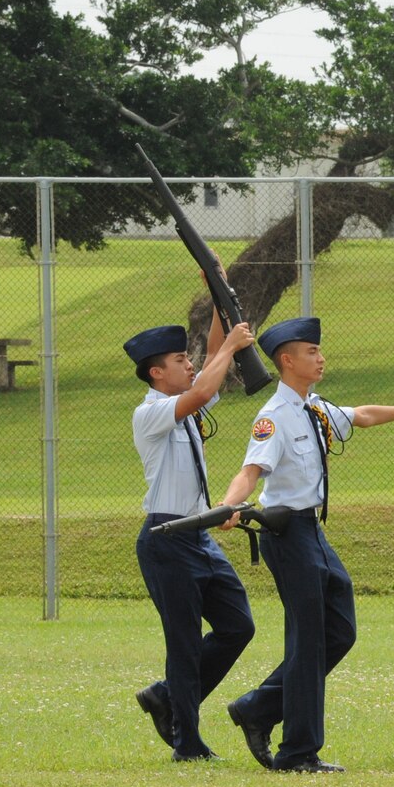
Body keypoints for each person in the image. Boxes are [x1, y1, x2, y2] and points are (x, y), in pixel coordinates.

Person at [216, 317, 394, 773]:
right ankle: (298, 752)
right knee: (308, 642)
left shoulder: (315, 408)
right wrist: (228, 506)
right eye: (311, 352)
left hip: (313, 533)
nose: (320, 358)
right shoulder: (273, 418)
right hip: (286, 533)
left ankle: (259, 708)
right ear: (286, 360)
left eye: (320, 351)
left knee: (339, 631)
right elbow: (250, 471)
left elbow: (360, 415)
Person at [128, 304, 259, 761]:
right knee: (183, 644)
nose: (191, 364)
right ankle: (188, 742)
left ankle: (167, 696)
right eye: (181, 361)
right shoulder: (151, 412)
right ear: (156, 373)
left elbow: (208, 378)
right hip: (166, 539)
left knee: (238, 626)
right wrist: (233, 346)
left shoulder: (184, 404)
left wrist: (218, 291)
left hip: (199, 534)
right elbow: (205, 387)